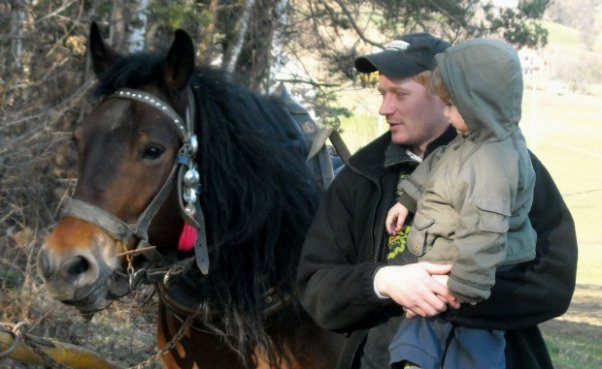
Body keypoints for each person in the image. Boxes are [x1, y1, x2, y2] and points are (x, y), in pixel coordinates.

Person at [296, 32, 578, 369]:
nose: (384, 108)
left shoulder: (508, 165)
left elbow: (553, 282)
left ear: (446, 94)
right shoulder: (361, 175)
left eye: (400, 94)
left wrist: (453, 291)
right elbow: (316, 286)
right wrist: (384, 282)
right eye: (383, 93)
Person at [384, 38, 537, 369]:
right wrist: (408, 199)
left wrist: (464, 287)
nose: (446, 111)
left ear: (479, 103)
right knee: (422, 324)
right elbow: (437, 164)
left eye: (452, 104)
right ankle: (414, 361)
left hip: (473, 270)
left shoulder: (493, 161)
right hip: (450, 262)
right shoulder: (468, 143)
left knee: (472, 342)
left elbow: (485, 229)